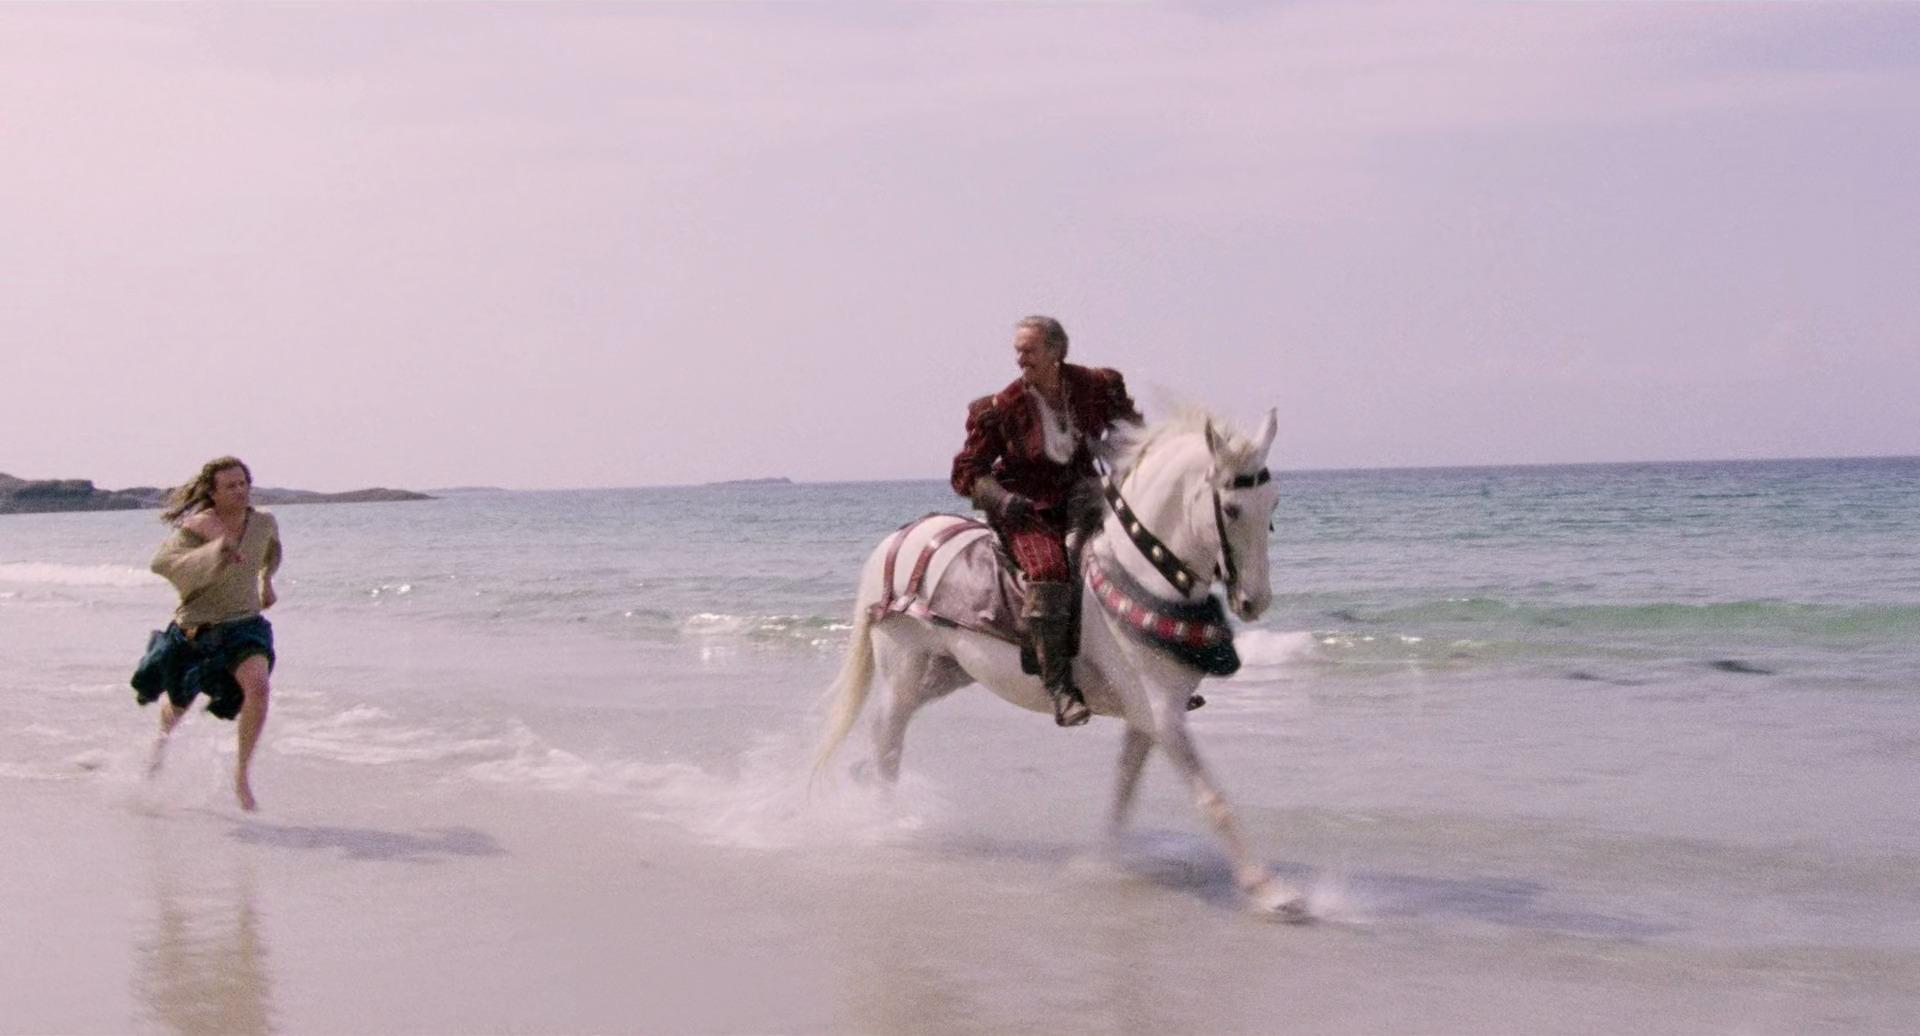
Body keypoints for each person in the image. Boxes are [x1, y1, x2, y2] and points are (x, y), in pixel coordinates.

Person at [950, 316, 1140, 726]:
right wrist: (1002, 500)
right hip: (1027, 508)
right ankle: (1060, 687)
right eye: (1018, 351)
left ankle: (1155, 669)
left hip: (1085, 497)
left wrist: (1128, 456)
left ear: (1056, 352)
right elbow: (967, 471)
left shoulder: (1095, 386)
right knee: (1050, 572)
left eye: (1029, 350)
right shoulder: (1000, 409)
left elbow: (1131, 430)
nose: (1020, 359)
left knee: (1134, 553)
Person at [137, 456, 282, 810]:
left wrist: (266, 581)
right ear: (213, 493)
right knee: (178, 706)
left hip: (244, 625)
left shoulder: (263, 522)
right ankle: (158, 751)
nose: (240, 490)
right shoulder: (197, 526)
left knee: (259, 688)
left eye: (243, 483)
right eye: (230, 486)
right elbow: (162, 562)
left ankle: (241, 775)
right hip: (196, 630)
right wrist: (213, 551)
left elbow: (272, 551)